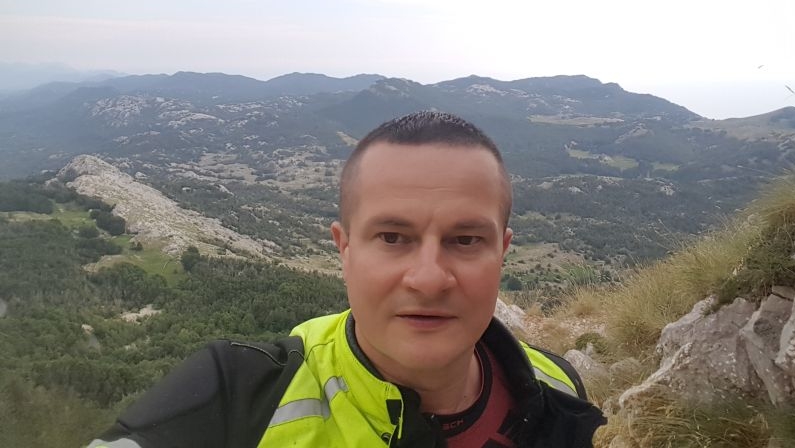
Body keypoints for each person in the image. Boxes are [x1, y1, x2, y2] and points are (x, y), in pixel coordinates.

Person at [87, 111, 605, 448]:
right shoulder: (239, 397)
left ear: (502, 253)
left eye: (466, 240)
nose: (429, 279)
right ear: (345, 248)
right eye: (393, 237)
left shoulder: (556, 385)